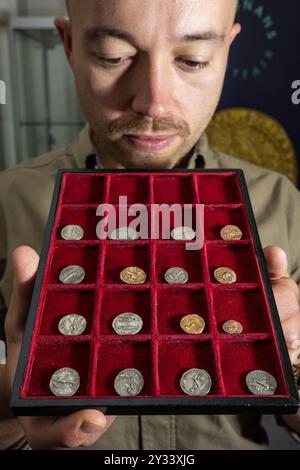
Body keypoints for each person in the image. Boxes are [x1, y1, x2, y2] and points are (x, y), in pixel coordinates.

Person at [0, 0, 299, 450]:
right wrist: (11, 407)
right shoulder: (7, 201)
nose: (153, 102)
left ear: (227, 52)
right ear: (68, 45)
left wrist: (293, 366)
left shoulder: (282, 202)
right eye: (113, 56)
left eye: (192, 60)